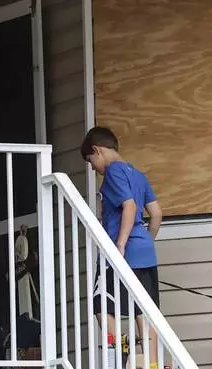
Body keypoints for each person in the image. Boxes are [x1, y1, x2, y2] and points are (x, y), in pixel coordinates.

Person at [81, 126, 163, 369]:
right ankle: (151, 364)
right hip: (145, 253)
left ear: (97, 150)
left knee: (100, 305)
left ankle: (122, 350)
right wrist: (145, 242)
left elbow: (128, 206)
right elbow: (156, 214)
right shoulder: (138, 174)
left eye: (91, 161)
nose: (94, 168)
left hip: (121, 254)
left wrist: (120, 245)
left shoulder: (114, 172)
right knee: (144, 313)